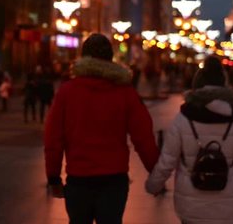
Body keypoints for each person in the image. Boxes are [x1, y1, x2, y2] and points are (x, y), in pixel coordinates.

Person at [44, 34, 160, 224]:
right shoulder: (125, 92)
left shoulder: (67, 91)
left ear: (83, 58)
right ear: (110, 58)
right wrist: (156, 173)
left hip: (79, 180)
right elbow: (143, 137)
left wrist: (53, 177)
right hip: (113, 181)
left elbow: (53, 138)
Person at [145, 56, 233, 224]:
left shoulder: (184, 118)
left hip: (190, 204)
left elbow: (167, 161)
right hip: (226, 205)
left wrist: (153, 185)